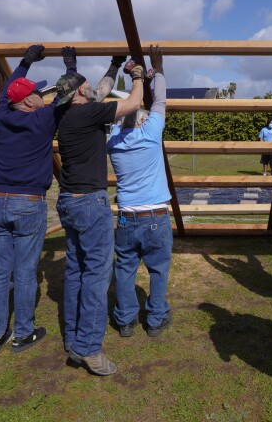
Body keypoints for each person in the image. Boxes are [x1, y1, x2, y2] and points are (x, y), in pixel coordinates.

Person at [55, 47, 145, 376]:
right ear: (81, 92)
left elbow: (99, 90)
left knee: (76, 269)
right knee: (96, 273)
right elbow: (133, 103)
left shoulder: (63, 112)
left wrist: (113, 64)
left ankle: (72, 336)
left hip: (68, 200)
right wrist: (136, 76)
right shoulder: (88, 113)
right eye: (86, 85)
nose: (95, 87)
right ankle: (89, 349)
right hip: (90, 203)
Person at [0, 44, 55, 357]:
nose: (44, 96)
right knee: (25, 272)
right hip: (28, 203)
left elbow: (6, 93)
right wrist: (69, 63)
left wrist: (25, 62)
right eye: (40, 93)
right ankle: (23, 333)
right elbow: (68, 90)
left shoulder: (0, 118)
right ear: (28, 101)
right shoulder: (41, 121)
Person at [107, 47, 173, 339]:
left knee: (125, 270)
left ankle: (125, 320)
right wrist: (157, 68)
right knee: (158, 271)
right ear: (144, 120)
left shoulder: (113, 142)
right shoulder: (150, 133)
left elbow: (105, 106)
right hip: (155, 215)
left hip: (126, 218)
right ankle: (156, 320)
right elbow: (159, 99)